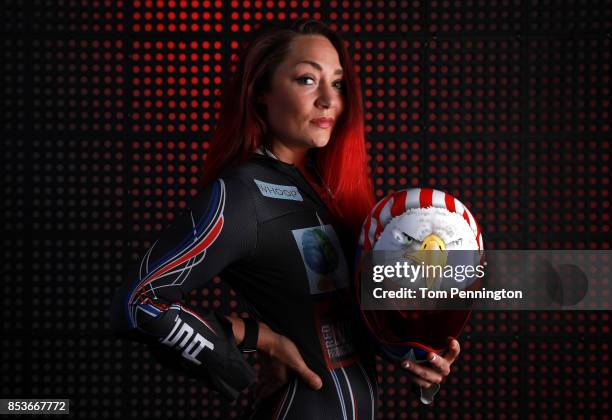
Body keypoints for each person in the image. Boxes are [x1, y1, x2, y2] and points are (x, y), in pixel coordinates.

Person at [109, 18, 461, 419]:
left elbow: (342, 324)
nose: (329, 99)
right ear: (261, 92)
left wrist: (417, 351)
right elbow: (137, 304)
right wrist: (261, 339)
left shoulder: (327, 194)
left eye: (339, 83)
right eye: (307, 80)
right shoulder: (241, 194)